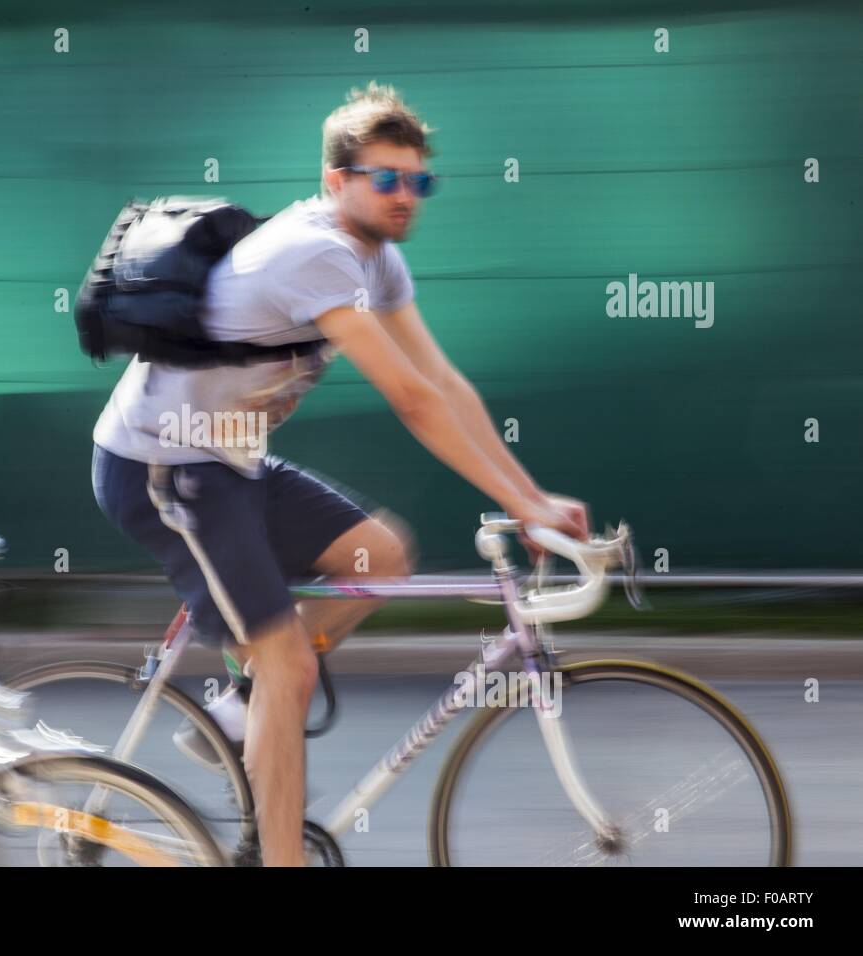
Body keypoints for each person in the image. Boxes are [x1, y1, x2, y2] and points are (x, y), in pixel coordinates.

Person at [90, 81, 590, 865]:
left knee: (379, 558)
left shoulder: (379, 261)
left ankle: (241, 707)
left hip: (231, 457)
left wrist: (531, 497)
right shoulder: (316, 251)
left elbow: (446, 384)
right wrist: (520, 507)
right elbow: (414, 403)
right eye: (384, 179)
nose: (403, 197)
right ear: (336, 181)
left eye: (417, 182)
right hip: (164, 465)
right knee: (288, 663)